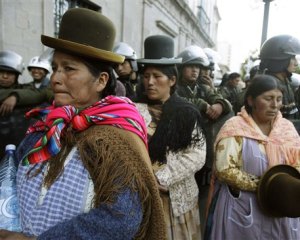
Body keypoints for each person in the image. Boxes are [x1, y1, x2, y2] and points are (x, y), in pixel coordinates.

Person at [0, 8, 166, 239]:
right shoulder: (45, 128)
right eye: (56, 67)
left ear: (100, 80)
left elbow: (121, 218)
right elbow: (10, 186)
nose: (56, 78)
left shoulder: (115, 141)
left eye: (69, 69)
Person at [205, 74, 300, 240]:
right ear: (251, 101)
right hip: (241, 207)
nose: (275, 105)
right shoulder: (235, 127)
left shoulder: (287, 129)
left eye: (279, 99)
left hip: (281, 206)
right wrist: (265, 185)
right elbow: (224, 169)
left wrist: (285, 187)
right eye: (268, 98)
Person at [136, 35, 206, 239]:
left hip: (176, 198)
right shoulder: (133, 109)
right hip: (140, 194)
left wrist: (162, 177)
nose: (150, 82)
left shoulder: (186, 112)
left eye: (157, 76)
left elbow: (197, 154)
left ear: (172, 80)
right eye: (146, 76)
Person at [259, 34, 300, 120]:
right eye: (292, 58)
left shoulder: (285, 82)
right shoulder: (268, 86)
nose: (296, 63)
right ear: (280, 61)